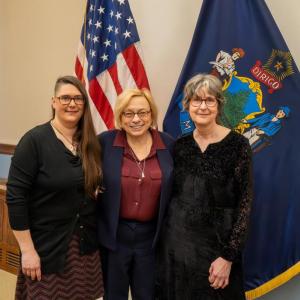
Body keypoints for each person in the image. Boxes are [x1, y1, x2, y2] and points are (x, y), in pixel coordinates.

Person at [6, 75, 104, 300]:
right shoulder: (34, 141)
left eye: (78, 99)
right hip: (46, 248)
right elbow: (15, 197)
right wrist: (27, 251)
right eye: (65, 98)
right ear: (53, 101)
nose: (72, 104)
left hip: (85, 246)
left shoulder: (89, 142)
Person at [156, 74, 253, 300]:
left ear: (219, 105)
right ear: (187, 105)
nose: (202, 106)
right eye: (196, 100)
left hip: (218, 252)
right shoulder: (179, 145)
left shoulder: (238, 145)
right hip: (176, 250)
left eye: (209, 100)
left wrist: (228, 257)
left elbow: (245, 204)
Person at [97, 88, 174, 300]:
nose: (136, 119)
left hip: (151, 240)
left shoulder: (168, 145)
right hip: (114, 238)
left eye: (143, 112)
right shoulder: (104, 143)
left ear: (152, 115)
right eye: (128, 113)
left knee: (147, 295)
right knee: (113, 296)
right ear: (120, 117)